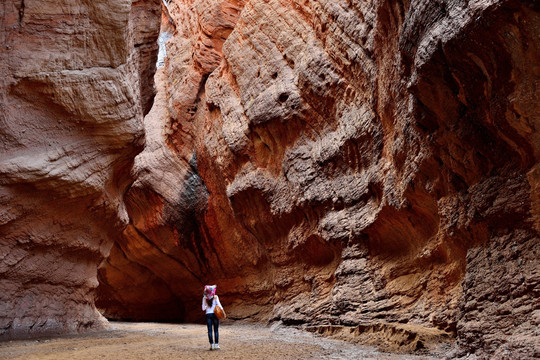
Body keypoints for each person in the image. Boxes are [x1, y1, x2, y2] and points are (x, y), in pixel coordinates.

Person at [202, 285, 223, 350]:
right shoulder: (215, 297)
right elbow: (219, 305)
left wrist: (207, 307)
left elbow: (203, 308)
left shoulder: (204, 298)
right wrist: (223, 311)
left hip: (208, 315)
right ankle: (216, 345)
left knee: (209, 330)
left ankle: (212, 345)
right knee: (216, 330)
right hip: (215, 314)